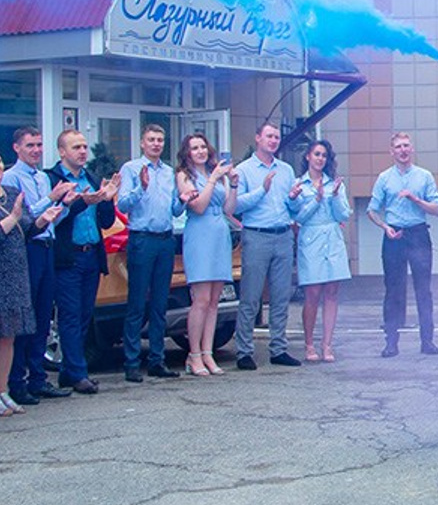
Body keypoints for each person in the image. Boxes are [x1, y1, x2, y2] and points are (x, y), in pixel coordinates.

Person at [2, 127, 76, 406]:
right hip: (26, 249)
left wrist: (64, 205)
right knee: (24, 317)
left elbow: (49, 218)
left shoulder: (43, 177)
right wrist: (53, 198)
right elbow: (22, 218)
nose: (36, 150)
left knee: (44, 317)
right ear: (17, 148)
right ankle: (15, 381)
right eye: (30, 145)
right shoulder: (10, 178)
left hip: (48, 247)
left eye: (39, 145)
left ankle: (38, 378)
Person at [48, 130, 119, 394]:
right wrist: (79, 203)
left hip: (91, 255)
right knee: (69, 315)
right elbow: (55, 218)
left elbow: (106, 222)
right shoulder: (53, 179)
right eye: (76, 147)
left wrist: (106, 198)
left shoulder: (89, 177)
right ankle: (77, 373)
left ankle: (69, 371)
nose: (82, 151)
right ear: (62, 152)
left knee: (84, 316)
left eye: (84, 146)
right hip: (69, 257)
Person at [367, 132, 438, 358]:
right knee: (393, 289)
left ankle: (427, 340)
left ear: (412, 149)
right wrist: (384, 227)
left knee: (423, 289)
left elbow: (437, 209)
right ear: (392, 151)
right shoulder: (384, 178)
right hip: (394, 235)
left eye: (406, 146)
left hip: (418, 234)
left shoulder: (424, 176)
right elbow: (371, 209)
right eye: (398, 147)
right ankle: (391, 342)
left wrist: (416, 200)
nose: (403, 150)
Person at [233, 121, 301, 370]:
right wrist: (262, 190)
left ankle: (279, 348)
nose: (273, 140)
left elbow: (294, 208)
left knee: (281, 296)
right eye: (269, 136)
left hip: (283, 234)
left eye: (277, 137)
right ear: (258, 138)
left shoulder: (286, 170)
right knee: (251, 296)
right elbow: (236, 206)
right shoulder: (244, 170)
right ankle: (243, 351)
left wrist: (294, 199)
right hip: (256, 235)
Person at [117, 124, 181, 383]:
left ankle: (157, 359)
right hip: (142, 239)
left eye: (160, 140)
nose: (156, 144)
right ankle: (131, 362)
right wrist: (141, 188)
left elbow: (175, 210)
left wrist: (185, 198)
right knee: (136, 303)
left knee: (160, 303)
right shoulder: (132, 169)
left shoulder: (168, 172)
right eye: (151, 140)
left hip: (165, 240)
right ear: (142, 143)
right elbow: (122, 204)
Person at [0, 157, 64, 415]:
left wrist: (43, 220)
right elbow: (11, 223)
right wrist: (13, 217)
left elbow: (26, 228)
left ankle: (2, 390)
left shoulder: (12, 194)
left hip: (15, 272)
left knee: (8, 336)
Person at [174, 133, 238, 376]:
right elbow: (198, 206)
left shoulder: (214, 173)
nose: (200, 151)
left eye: (203, 146)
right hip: (199, 234)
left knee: (213, 301)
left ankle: (208, 352)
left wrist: (232, 184)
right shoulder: (184, 175)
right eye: (194, 148)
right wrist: (213, 179)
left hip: (219, 233)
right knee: (200, 300)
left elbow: (229, 209)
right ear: (187, 152)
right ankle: (194, 354)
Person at [293, 139, 351, 363]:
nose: (320, 159)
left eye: (324, 155)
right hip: (311, 239)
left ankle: (327, 343)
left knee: (332, 293)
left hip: (332, 239)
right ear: (308, 156)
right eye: (316, 154)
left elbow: (343, 215)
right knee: (312, 294)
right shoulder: (300, 184)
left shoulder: (333, 183)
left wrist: (334, 195)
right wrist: (316, 199)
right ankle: (309, 344)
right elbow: (298, 216)